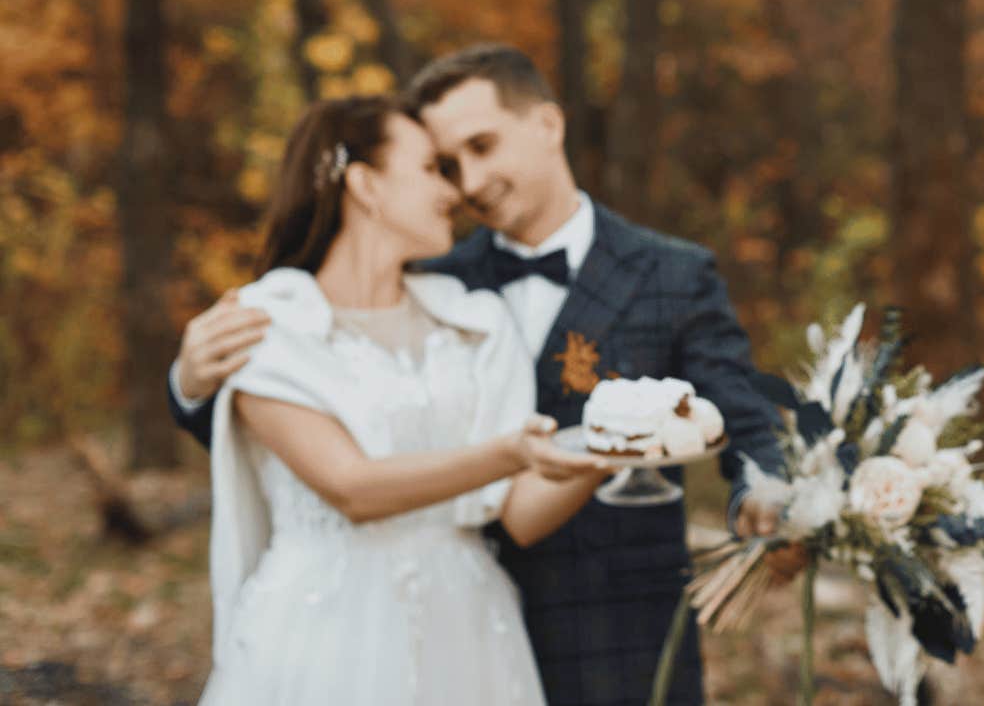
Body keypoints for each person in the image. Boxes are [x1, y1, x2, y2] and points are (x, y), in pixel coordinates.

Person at [170, 45, 787, 706]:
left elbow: (739, 408)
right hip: (424, 626)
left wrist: (764, 491)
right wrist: (189, 383)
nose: (464, 184)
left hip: (612, 626)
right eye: (445, 164)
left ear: (548, 126)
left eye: (482, 147)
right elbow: (287, 434)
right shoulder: (434, 278)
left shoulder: (669, 272)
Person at [200, 95, 611, 705]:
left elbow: (519, 513)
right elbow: (351, 488)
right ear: (365, 185)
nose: (454, 192)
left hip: (467, 628)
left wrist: (612, 449)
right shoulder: (267, 327)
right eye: (429, 169)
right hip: (325, 630)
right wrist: (509, 453)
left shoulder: (473, 322)